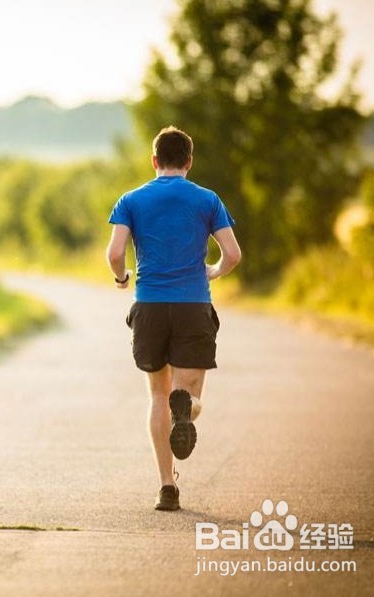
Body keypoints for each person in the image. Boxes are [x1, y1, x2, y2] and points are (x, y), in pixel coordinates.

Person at [106, 126, 242, 511]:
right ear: (189, 161)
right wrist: (212, 271)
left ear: (153, 161)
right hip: (192, 305)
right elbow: (232, 255)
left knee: (157, 395)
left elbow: (116, 252)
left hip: (149, 306)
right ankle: (189, 409)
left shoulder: (131, 199)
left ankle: (167, 487)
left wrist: (121, 278)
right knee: (189, 396)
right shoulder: (207, 199)